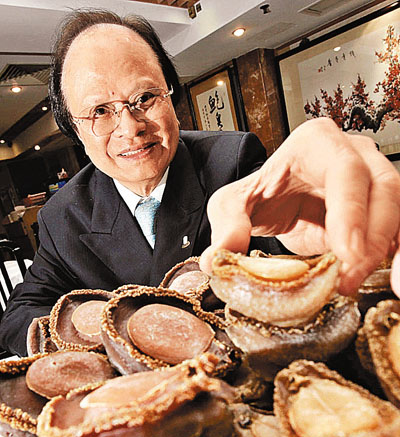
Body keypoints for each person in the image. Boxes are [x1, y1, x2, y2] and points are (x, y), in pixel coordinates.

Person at [0, 8, 399, 357]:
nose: (131, 128)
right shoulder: (62, 216)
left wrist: (330, 232)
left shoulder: (233, 158)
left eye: (145, 97)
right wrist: (100, 332)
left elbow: (283, 243)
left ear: (171, 95)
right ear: (74, 128)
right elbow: (19, 314)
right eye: (100, 111)